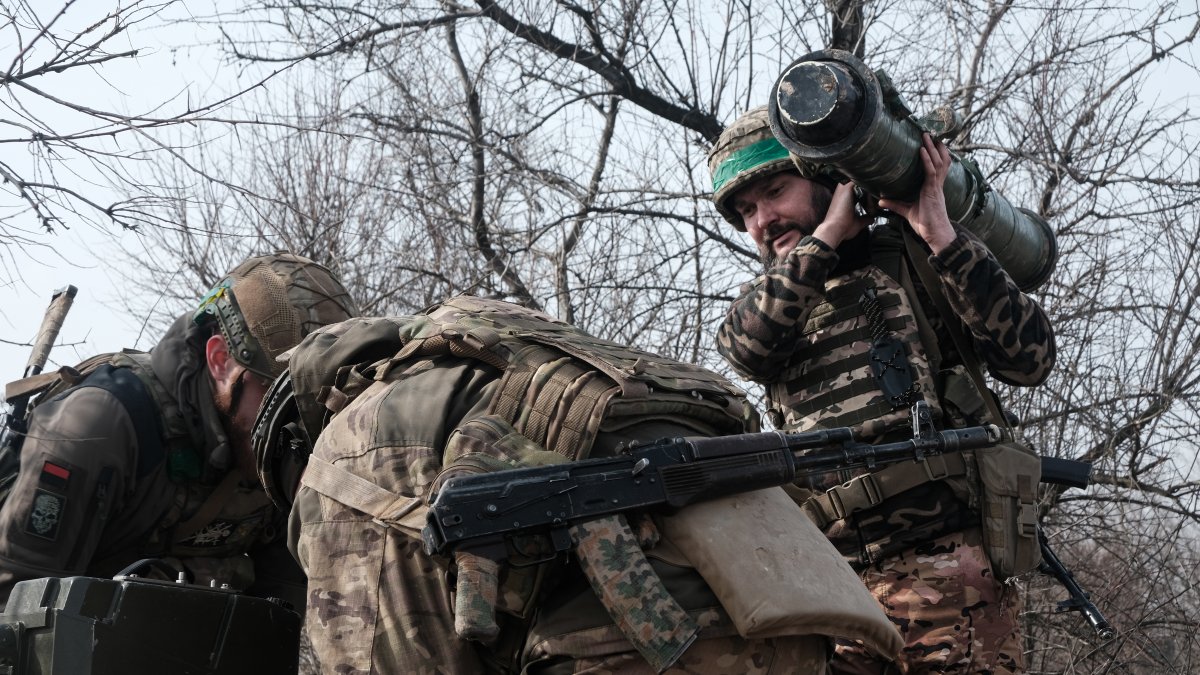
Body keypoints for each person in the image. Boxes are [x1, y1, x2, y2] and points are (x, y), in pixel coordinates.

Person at [256, 295, 904, 674]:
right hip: (794, 614)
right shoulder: (513, 358)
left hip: (638, 645)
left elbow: (387, 658)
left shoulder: (350, 446)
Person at [707, 106, 1056, 674]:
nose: (763, 220)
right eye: (746, 211)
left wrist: (942, 236)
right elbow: (746, 347)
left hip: (946, 575)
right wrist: (823, 241)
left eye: (775, 192)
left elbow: (1031, 359)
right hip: (833, 591)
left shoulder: (918, 256)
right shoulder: (776, 304)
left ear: (826, 181)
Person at [0, 253, 357, 607]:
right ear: (220, 362)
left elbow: (280, 618)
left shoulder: (289, 452)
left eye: (315, 405)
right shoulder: (96, 428)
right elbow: (18, 612)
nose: (297, 425)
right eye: (276, 396)